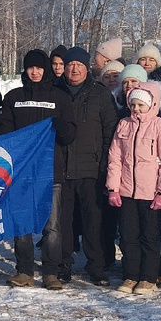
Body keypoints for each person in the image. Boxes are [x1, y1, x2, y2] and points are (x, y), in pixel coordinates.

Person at [0, 49, 77, 289]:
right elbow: (6, 135)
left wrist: (61, 126)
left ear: (46, 69)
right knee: (22, 224)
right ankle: (24, 271)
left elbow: (70, 135)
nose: (35, 72)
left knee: (52, 226)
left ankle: (51, 272)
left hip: (50, 172)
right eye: (31, 67)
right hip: (22, 173)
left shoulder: (60, 98)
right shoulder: (13, 97)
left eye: (39, 67)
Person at [57, 46, 118, 286]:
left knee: (94, 222)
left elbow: (110, 131)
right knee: (63, 221)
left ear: (87, 68)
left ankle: (96, 267)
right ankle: (63, 264)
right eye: (70, 65)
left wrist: (103, 165)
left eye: (79, 65)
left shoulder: (100, 94)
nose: (74, 69)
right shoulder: (55, 92)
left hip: (91, 169)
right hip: (61, 167)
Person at [106, 86, 161, 295]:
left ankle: (148, 277)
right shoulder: (124, 125)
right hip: (127, 191)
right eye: (133, 104)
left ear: (152, 105)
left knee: (149, 237)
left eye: (141, 105)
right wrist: (113, 188)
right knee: (128, 237)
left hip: (151, 193)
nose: (136, 109)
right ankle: (131, 275)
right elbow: (115, 158)